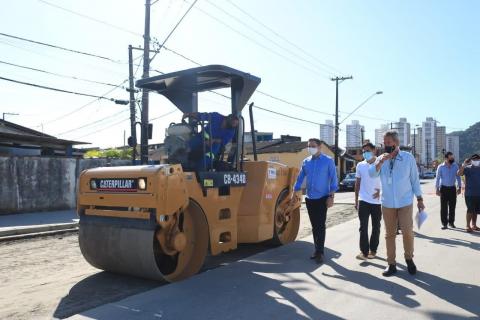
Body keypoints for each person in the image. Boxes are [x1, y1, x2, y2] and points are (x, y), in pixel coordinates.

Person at [369, 131, 424, 277]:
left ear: (396, 143)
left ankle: (409, 259)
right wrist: (381, 162)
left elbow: (414, 180)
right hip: (387, 203)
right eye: (384, 143)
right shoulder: (381, 158)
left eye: (388, 143)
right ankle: (391, 264)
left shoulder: (408, 158)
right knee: (390, 234)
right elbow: (371, 174)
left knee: (407, 231)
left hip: (405, 201)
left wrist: (419, 199)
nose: (385, 145)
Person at [292, 138, 338, 264]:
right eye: (309, 146)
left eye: (313, 146)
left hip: (323, 198)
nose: (310, 148)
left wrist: (331, 197)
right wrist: (294, 192)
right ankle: (317, 249)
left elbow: (334, 180)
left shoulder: (328, 161)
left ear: (319, 147)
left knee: (320, 225)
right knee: (314, 226)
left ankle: (320, 252)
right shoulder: (306, 162)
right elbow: (300, 178)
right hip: (310, 198)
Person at [354, 142, 382, 260]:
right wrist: (356, 200)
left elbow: (388, 181)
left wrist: (381, 193)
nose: (365, 153)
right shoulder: (360, 165)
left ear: (374, 150)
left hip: (377, 201)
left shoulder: (381, 163)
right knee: (363, 227)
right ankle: (364, 252)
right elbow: (357, 183)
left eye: (367, 150)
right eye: (363, 151)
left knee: (376, 226)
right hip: (363, 200)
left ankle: (373, 250)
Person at [435, 152, 462, 229]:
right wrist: (437, 189)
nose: (452, 159)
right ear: (446, 158)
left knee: (452, 206)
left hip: (452, 189)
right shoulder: (440, 167)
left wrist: (459, 187)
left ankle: (451, 222)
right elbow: (437, 179)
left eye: (452, 158)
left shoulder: (455, 166)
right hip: (443, 189)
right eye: (450, 158)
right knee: (443, 207)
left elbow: (458, 177)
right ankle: (444, 223)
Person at [457, 154, 480, 233]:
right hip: (469, 193)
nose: (476, 161)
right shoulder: (467, 168)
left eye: (478, 159)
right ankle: (467, 225)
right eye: (474, 160)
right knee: (470, 209)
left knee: (476, 210)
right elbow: (459, 174)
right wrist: (463, 165)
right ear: (471, 160)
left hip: (478, 193)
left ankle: (474, 225)